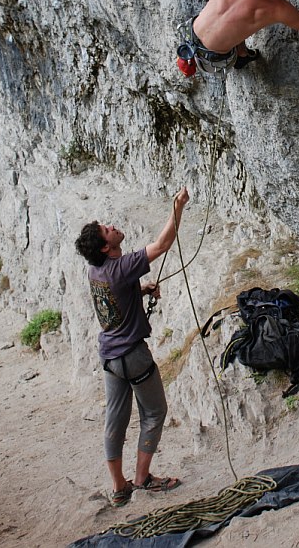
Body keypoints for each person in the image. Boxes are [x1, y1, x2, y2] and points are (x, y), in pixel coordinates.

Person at [75, 186, 189, 508]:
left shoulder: (95, 271)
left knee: (115, 420)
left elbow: (113, 300)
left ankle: (119, 487)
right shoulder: (121, 267)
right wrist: (177, 207)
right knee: (154, 411)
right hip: (134, 356)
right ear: (106, 245)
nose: (111, 226)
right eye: (106, 230)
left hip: (109, 357)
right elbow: (163, 244)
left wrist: (138, 291)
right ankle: (142, 478)